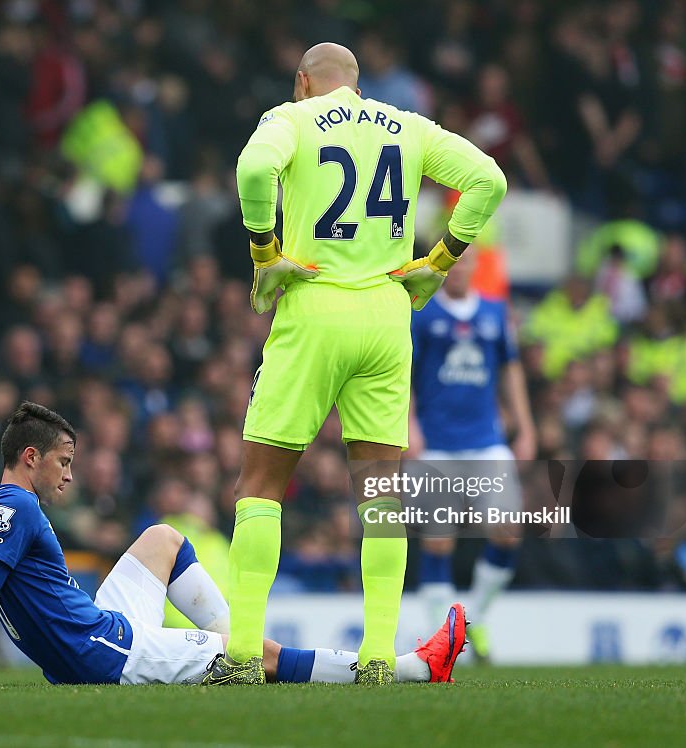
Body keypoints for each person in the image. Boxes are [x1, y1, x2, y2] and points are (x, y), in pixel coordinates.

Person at [210, 41, 505, 685]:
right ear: (358, 83)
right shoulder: (407, 126)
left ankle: (239, 656)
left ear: (303, 81)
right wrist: (438, 262)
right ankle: (377, 655)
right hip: (386, 314)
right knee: (380, 494)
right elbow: (490, 180)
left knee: (260, 484)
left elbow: (254, 172)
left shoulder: (289, 120)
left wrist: (264, 252)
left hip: (314, 305)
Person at [0, 402, 468, 688]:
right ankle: (415, 668)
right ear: (31, 458)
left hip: (97, 627)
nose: (70, 475)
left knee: (163, 537)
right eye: (64, 463)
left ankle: (229, 639)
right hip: (106, 654)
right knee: (259, 658)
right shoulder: (18, 510)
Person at [410, 250, 535, 662]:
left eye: (465, 263)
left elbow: (511, 369)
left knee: (508, 528)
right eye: (452, 264)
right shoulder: (422, 314)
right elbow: (403, 370)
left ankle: (475, 618)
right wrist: (409, 423)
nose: (458, 270)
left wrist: (525, 425)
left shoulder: (495, 312)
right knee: (439, 540)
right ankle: (439, 639)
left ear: (474, 267)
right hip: (438, 442)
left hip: (486, 440)